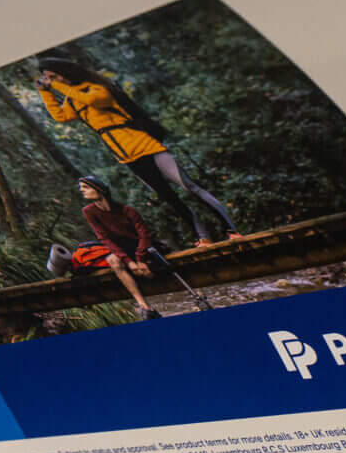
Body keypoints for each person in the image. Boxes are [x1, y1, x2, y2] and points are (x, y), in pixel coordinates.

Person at [33, 56, 239, 246]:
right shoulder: (72, 99)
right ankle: (203, 237)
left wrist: (58, 87)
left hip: (147, 145)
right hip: (126, 155)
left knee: (190, 187)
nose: (52, 81)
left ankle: (232, 230)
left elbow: (95, 101)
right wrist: (45, 92)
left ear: (65, 73)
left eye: (54, 76)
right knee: (169, 197)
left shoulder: (94, 88)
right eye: (48, 78)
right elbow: (61, 116)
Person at [47, 177, 163, 320]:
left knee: (146, 265)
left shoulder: (128, 211)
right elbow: (104, 238)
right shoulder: (89, 211)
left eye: (85, 187)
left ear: (99, 190)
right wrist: (129, 262)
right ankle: (145, 307)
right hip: (119, 249)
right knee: (113, 260)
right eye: (81, 187)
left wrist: (140, 259)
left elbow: (144, 235)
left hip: (141, 246)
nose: (81, 190)